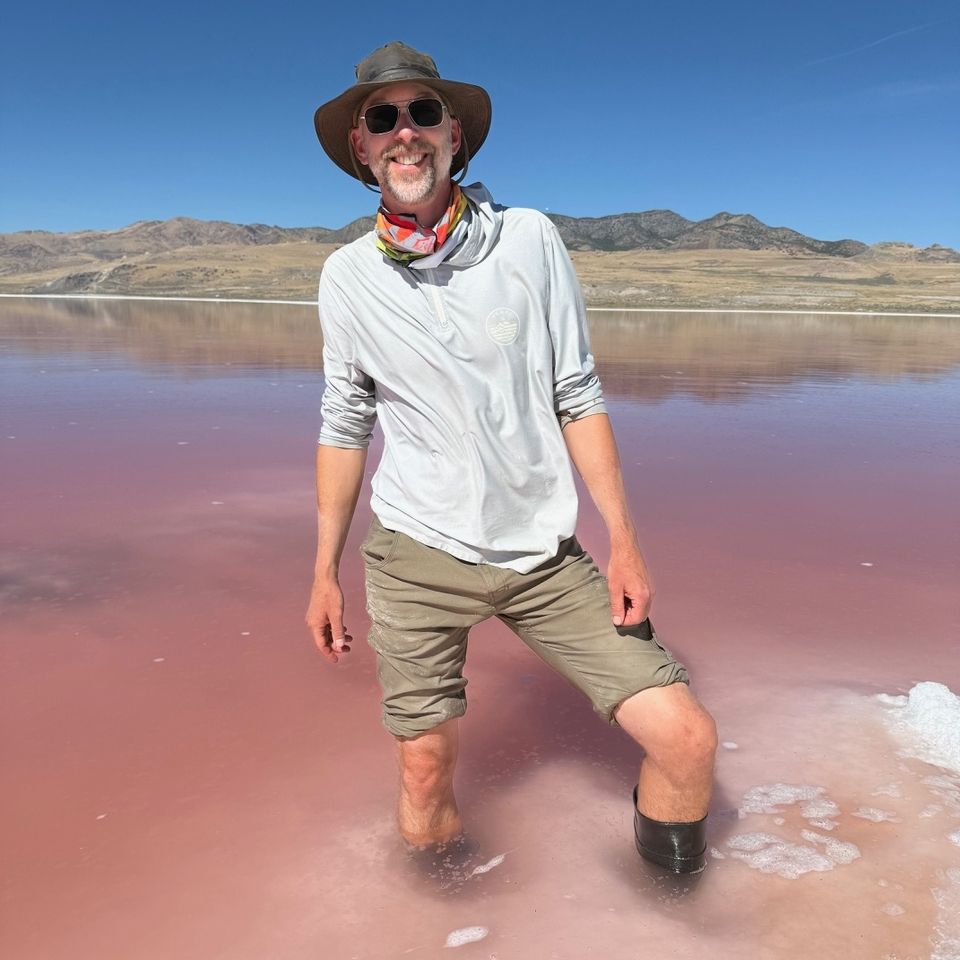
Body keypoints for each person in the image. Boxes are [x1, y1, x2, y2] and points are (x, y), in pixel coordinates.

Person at [306, 41, 717, 877]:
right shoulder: (346, 277)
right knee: (424, 768)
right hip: (416, 557)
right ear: (361, 145)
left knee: (688, 741)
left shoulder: (527, 240)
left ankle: (680, 915)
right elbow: (345, 424)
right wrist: (322, 572)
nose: (405, 134)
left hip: (544, 558)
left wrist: (624, 541)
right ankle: (438, 917)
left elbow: (578, 393)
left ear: (455, 133)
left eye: (423, 114)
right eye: (383, 119)